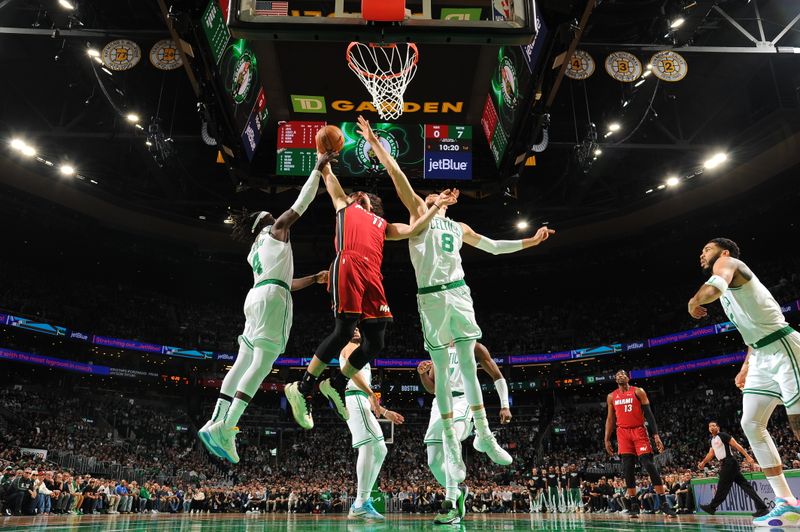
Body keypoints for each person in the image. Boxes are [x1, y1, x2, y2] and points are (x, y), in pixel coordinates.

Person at [357, 115, 553, 479]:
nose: (433, 197)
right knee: (445, 378)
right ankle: (452, 437)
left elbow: (494, 247)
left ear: (448, 202)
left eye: (437, 196)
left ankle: (483, 435)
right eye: (429, 196)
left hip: (459, 293)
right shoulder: (421, 215)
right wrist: (374, 142)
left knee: (467, 364)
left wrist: (530, 240)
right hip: (431, 297)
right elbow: (398, 175)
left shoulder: (459, 227)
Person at [284, 148, 459, 429]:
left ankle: (336, 383)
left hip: (373, 275)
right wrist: (322, 159)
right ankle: (302, 388)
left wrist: (437, 206)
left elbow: (415, 230)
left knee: (376, 340)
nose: (356, 194)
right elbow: (329, 180)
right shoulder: (344, 207)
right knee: (344, 330)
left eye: (360, 195)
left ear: (371, 203)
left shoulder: (383, 225)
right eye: (354, 194)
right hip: (349, 263)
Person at [198, 152, 333, 463]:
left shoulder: (256, 250)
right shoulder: (276, 231)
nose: (278, 217)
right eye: (273, 215)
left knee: (243, 361)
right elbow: (300, 205)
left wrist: (313, 278)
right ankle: (228, 426)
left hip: (256, 298)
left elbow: (283, 281)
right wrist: (316, 170)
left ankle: (215, 420)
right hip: (272, 299)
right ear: (268, 222)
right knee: (261, 364)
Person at [688, 237, 800, 527]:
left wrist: (693, 301)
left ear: (723, 252)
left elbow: (711, 289)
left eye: (706, 249)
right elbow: (752, 330)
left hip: (785, 348)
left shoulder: (727, 263)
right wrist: (746, 365)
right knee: (751, 424)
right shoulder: (729, 287)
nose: (702, 254)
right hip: (761, 355)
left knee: (798, 422)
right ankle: (787, 501)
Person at [417, 341, 512, 525]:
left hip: (464, 400)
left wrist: (505, 405)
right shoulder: (439, 348)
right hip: (440, 402)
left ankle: (450, 504)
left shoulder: (474, 346)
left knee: (449, 437)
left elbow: (497, 375)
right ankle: (459, 492)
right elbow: (431, 388)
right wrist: (422, 374)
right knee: (433, 461)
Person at [340, 328, 404, 520]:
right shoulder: (350, 346)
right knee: (368, 447)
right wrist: (371, 394)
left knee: (380, 450)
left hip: (361, 400)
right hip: (355, 398)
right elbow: (349, 372)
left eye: (360, 327)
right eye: (354, 327)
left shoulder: (362, 354)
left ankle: (362, 501)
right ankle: (360, 502)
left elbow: (365, 388)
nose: (358, 329)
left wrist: (384, 412)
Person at [604, 369, 676, 519]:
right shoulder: (611, 396)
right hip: (622, 433)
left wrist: (656, 435)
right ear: (615, 379)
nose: (620, 376)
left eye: (623, 374)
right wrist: (607, 438)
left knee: (648, 464)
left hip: (639, 431)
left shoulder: (638, 391)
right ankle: (634, 504)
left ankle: (663, 503)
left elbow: (649, 414)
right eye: (617, 375)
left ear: (628, 377)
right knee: (627, 468)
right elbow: (610, 419)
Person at [697, 421, 768, 517]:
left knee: (722, 486)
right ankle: (762, 508)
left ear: (718, 427)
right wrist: (703, 463)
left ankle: (712, 507)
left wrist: (747, 456)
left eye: (713, 425)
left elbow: (736, 445)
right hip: (727, 464)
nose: (711, 427)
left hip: (729, 462)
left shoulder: (722, 435)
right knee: (745, 486)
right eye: (709, 426)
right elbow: (711, 454)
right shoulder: (712, 440)